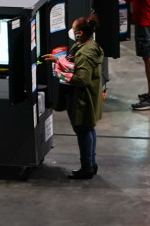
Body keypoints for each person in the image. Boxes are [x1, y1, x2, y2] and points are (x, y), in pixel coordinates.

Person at [43, 16, 104, 179]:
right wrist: (58, 60)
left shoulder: (85, 53)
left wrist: (60, 73)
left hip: (81, 100)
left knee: (83, 130)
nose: (72, 32)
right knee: (88, 128)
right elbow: (73, 64)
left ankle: (86, 167)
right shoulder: (86, 45)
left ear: (80, 33)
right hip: (84, 97)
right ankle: (91, 163)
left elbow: (82, 79)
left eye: (74, 29)